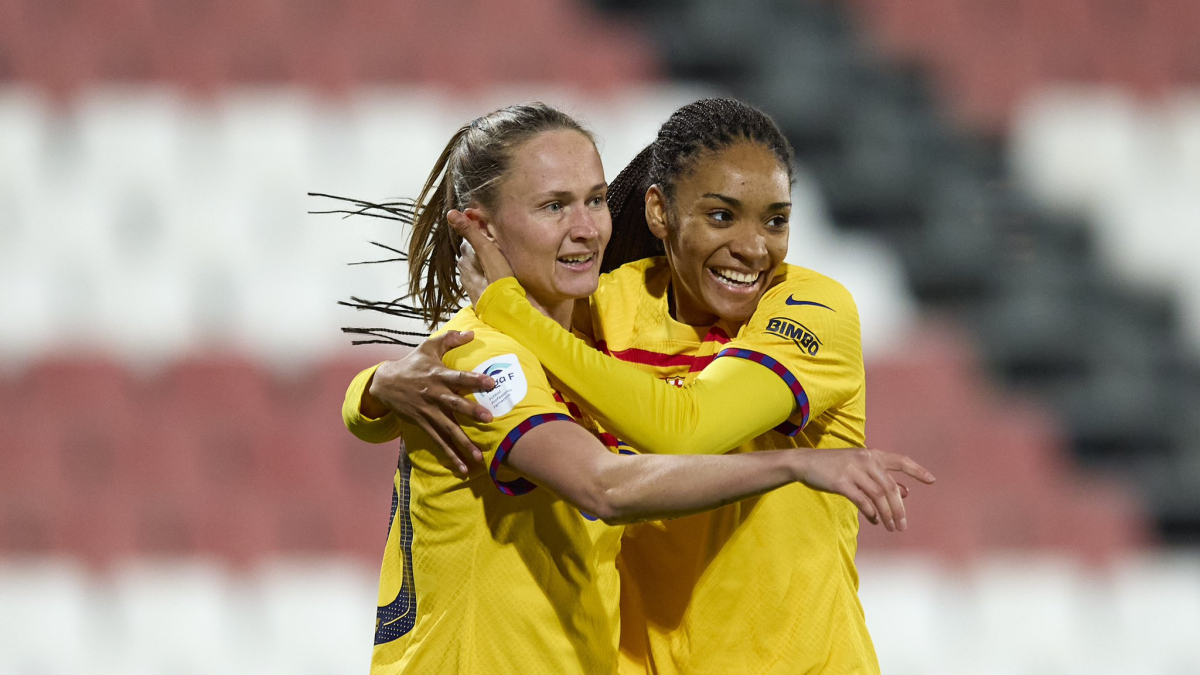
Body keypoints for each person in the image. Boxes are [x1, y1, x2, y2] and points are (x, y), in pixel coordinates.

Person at [343, 102, 929, 674]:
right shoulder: (588, 317)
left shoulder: (809, 308)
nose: (754, 247)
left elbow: (684, 424)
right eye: (722, 216)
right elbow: (611, 472)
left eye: (776, 219)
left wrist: (376, 390)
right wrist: (379, 386)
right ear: (658, 211)